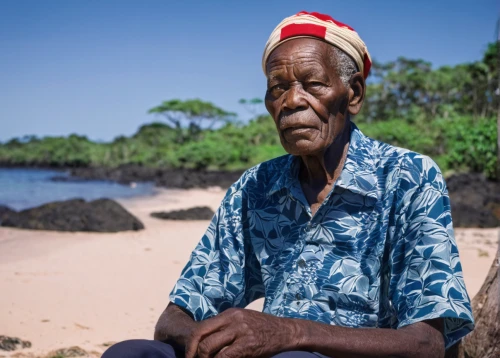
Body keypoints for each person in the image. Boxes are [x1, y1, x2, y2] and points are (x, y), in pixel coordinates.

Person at [103, 11, 474, 358]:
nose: (292, 101)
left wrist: (288, 333)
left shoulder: (408, 176)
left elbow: (427, 342)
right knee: (129, 353)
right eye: (277, 88)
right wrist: (205, 342)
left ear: (354, 94)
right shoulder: (256, 187)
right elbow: (174, 318)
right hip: (269, 352)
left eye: (313, 84)